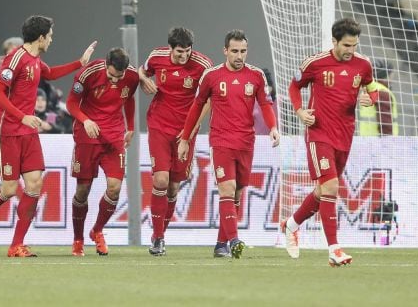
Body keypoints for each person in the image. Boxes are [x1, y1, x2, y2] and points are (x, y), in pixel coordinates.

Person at [0, 15, 96, 257]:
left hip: (27, 132)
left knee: (35, 184)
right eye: (50, 36)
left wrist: (80, 62)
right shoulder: (16, 57)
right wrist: (22, 116)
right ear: (40, 37)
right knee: (8, 189)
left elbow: (50, 74)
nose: (51, 39)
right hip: (6, 130)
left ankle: (17, 244)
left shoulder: (36, 60)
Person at [281, 18, 378, 266]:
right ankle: (334, 249)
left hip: (345, 135)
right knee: (331, 187)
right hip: (319, 133)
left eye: (354, 45)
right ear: (334, 41)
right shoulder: (315, 63)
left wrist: (372, 98)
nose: (351, 50)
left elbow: (371, 85)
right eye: (346, 45)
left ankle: (290, 225)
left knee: (323, 191)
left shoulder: (363, 64)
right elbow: (294, 86)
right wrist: (300, 110)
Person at [178, 30, 280, 259]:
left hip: (246, 142)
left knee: (237, 194)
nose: (239, 56)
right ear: (225, 51)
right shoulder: (211, 76)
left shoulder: (255, 76)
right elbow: (196, 107)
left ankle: (220, 244)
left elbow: (265, 105)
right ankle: (234, 240)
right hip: (221, 141)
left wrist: (273, 127)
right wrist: (185, 139)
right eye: (234, 51)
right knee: (227, 188)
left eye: (243, 51)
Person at [138, 27, 213, 256]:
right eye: (180, 52)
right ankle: (158, 238)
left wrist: (189, 133)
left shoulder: (203, 65)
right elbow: (141, 71)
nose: (184, 56)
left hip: (185, 131)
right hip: (159, 125)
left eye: (188, 51)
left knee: (173, 186)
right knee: (160, 179)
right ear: (170, 48)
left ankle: (161, 233)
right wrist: (144, 80)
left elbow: (208, 102)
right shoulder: (157, 57)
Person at [66, 48, 139, 256]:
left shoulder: (132, 76)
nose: (115, 80)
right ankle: (78, 239)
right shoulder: (87, 73)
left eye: (119, 76)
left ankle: (97, 231)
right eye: (111, 74)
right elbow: (71, 103)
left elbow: (129, 98)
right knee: (83, 190)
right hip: (87, 134)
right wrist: (85, 120)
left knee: (114, 188)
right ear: (106, 64)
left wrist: (131, 126)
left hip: (114, 136)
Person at [358, 59, 399, 136]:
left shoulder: (367, 89)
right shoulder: (382, 92)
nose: (392, 78)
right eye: (391, 74)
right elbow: (385, 122)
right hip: (378, 143)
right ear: (386, 75)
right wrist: (388, 143)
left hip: (366, 140)